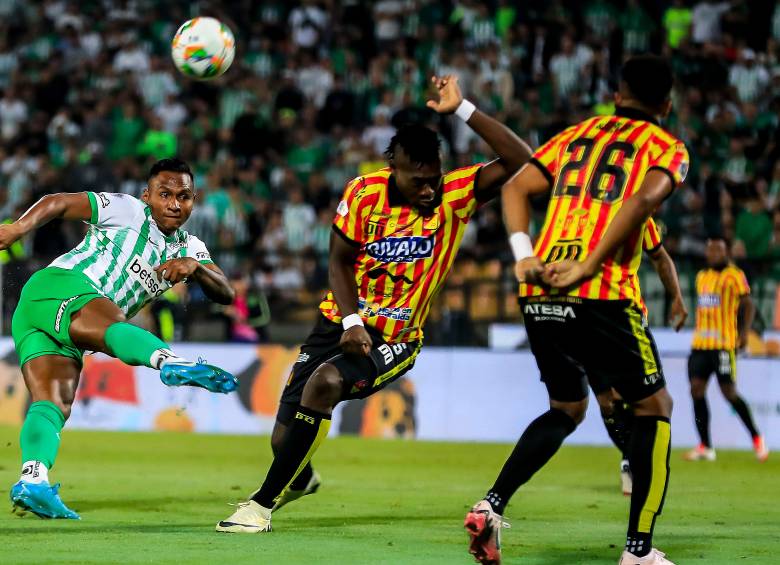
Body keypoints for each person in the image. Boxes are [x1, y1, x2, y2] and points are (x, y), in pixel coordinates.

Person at [215, 75, 533, 533]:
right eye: (418, 182)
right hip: (339, 324)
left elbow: (523, 159)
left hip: (397, 337)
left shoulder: (456, 195)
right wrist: (349, 321)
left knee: (324, 386)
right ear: (393, 168)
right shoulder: (363, 195)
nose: (429, 191)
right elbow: (339, 262)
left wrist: (463, 109)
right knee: (284, 437)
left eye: (434, 180)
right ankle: (299, 481)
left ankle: (260, 506)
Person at [466, 55, 689, 565]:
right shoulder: (667, 147)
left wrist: (525, 255)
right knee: (656, 408)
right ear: (668, 104)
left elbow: (516, 185)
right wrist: (590, 265)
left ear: (617, 94)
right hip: (602, 293)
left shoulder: (577, 135)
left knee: (568, 408)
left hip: (542, 290)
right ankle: (638, 552)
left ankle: (491, 507)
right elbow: (640, 203)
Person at [0, 158, 237, 520]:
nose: (174, 203)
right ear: (148, 196)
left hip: (53, 322)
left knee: (52, 404)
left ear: (194, 200)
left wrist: (197, 268)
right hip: (60, 288)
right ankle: (168, 361)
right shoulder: (127, 210)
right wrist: (18, 229)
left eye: (184, 196)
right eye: (165, 194)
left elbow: (226, 293)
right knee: (113, 319)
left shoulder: (191, 247)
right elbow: (59, 201)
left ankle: (33, 480)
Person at [592, 217, 688, 497]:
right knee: (606, 403)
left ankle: (636, 463)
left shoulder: (639, 218)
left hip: (626, 320)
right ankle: (628, 457)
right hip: (587, 321)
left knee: (645, 401)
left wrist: (677, 298)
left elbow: (660, 257)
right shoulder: (580, 216)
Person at [684, 237, 768, 462]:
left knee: (729, 393)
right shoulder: (702, 277)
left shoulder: (734, 275)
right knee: (696, 390)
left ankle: (757, 438)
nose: (713, 254)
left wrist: (743, 334)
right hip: (700, 345)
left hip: (723, 345)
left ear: (726, 252)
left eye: (718, 250)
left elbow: (748, 304)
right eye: (710, 250)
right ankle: (705, 446)